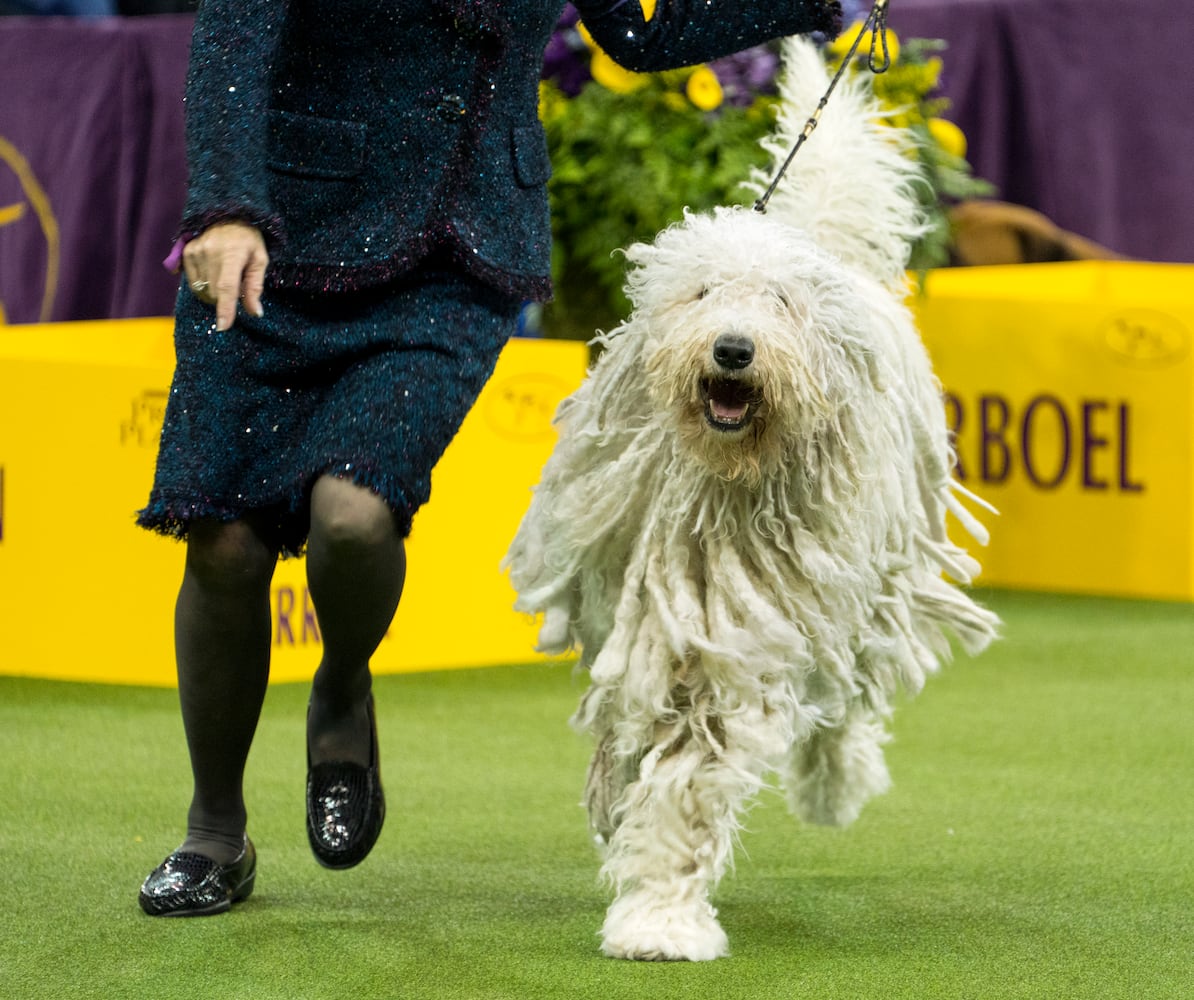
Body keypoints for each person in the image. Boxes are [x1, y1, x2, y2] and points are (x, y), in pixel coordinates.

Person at [136, 0, 843, 917]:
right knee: (224, 546)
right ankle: (214, 834)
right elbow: (236, 31)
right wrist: (225, 206)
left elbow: (636, 34)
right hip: (271, 233)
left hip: (453, 251)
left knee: (353, 513)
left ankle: (342, 690)